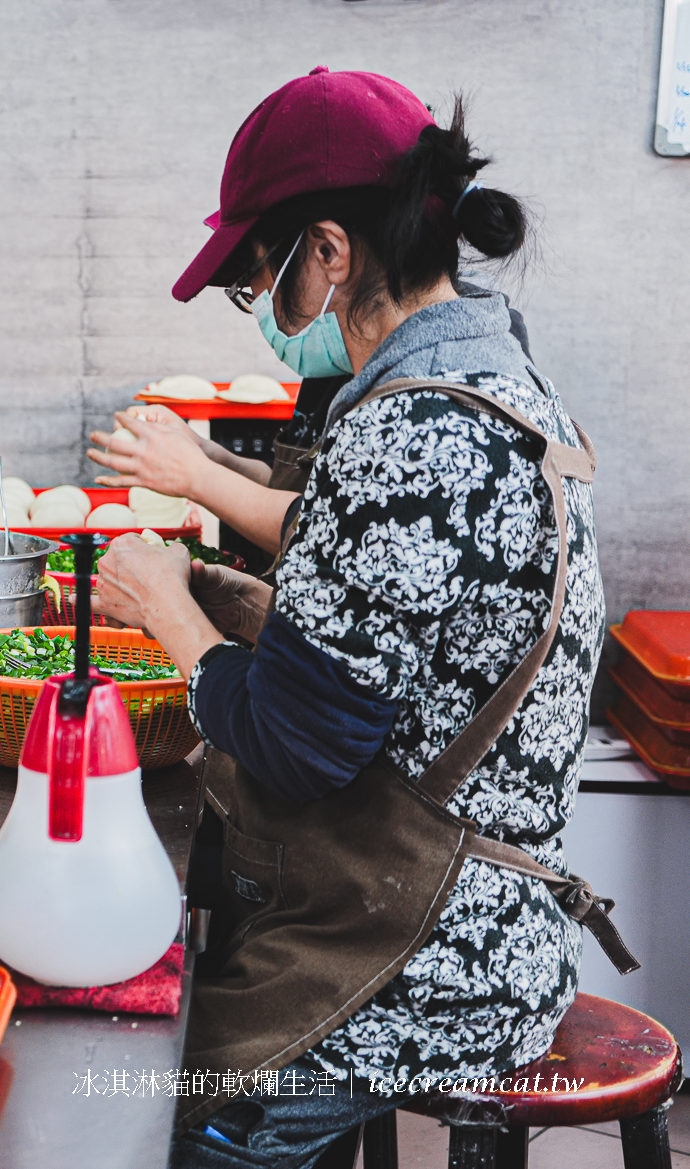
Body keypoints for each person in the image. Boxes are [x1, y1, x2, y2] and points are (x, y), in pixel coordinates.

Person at [88, 69, 635, 1168]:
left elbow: (295, 744)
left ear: (329, 252)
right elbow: (397, 586)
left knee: (140, 1101)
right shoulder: (505, 389)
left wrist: (163, 608)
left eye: (260, 277)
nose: (267, 313)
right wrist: (238, 586)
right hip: (490, 920)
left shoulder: (407, 434)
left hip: (424, 959)